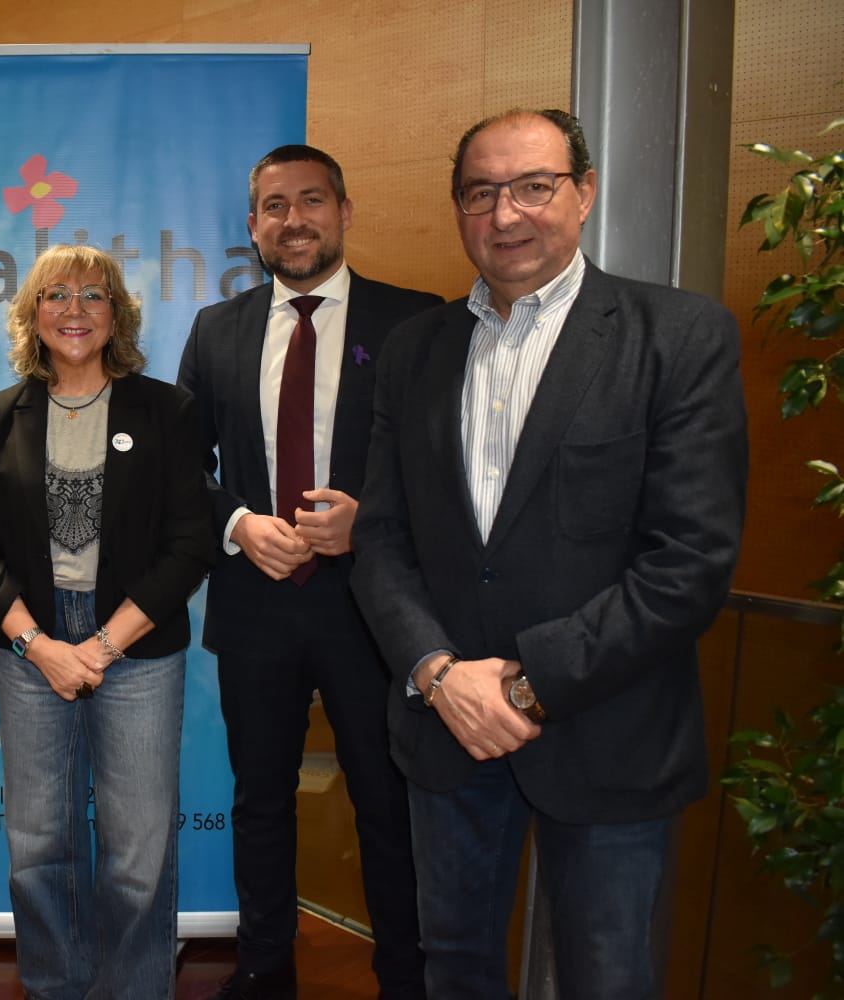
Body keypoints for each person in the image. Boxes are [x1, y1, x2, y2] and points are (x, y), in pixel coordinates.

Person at [349, 108, 748, 998]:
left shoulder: (676, 337)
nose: (506, 215)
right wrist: (439, 675)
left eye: (534, 187)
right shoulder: (415, 350)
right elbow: (380, 537)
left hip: (610, 734)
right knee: (453, 971)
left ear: (585, 192)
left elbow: (690, 560)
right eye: (481, 193)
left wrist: (527, 687)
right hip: (447, 729)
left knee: (607, 978)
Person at [176, 144, 440, 1000]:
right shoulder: (216, 330)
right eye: (275, 206)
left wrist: (371, 520)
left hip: (377, 607)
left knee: (386, 801)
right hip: (256, 603)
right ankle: (265, 966)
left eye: (312, 201)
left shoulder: (416, 322)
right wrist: (237, 524)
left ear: (345, 211)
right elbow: (182, 468)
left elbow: (446, 466)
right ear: (253, 226)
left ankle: (404, 976)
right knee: (260, 799)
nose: (294, 220)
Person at [0, 244, 211, 999]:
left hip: (137, 643)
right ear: (32, 314)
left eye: (93, 295)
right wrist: (38, 645)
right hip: (29, 645)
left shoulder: (166, 410)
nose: (74, 310)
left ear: (117, 314)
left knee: (137, 847)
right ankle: (56, 986)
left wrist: (99, 646)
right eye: (56, 295)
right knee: (38, 841)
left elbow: (190, 542)